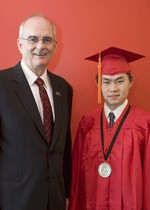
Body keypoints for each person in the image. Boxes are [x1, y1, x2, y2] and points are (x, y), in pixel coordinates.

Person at [0, 14, 73, 210]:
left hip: (55, 200)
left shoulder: (64, 89)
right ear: (20, 44)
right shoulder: (2, 84)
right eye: (33, 39)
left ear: (55, 46)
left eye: (47, 40)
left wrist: (65, 193)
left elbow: (65, 146)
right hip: (14, 201)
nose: (40, 46)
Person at [68, 47, 150, 210]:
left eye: (120, 81)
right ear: (98, 83)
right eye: (106, 81)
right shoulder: (87, 123)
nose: (113, 89)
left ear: (131, 81)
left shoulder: (144, 123)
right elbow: (77, 175)